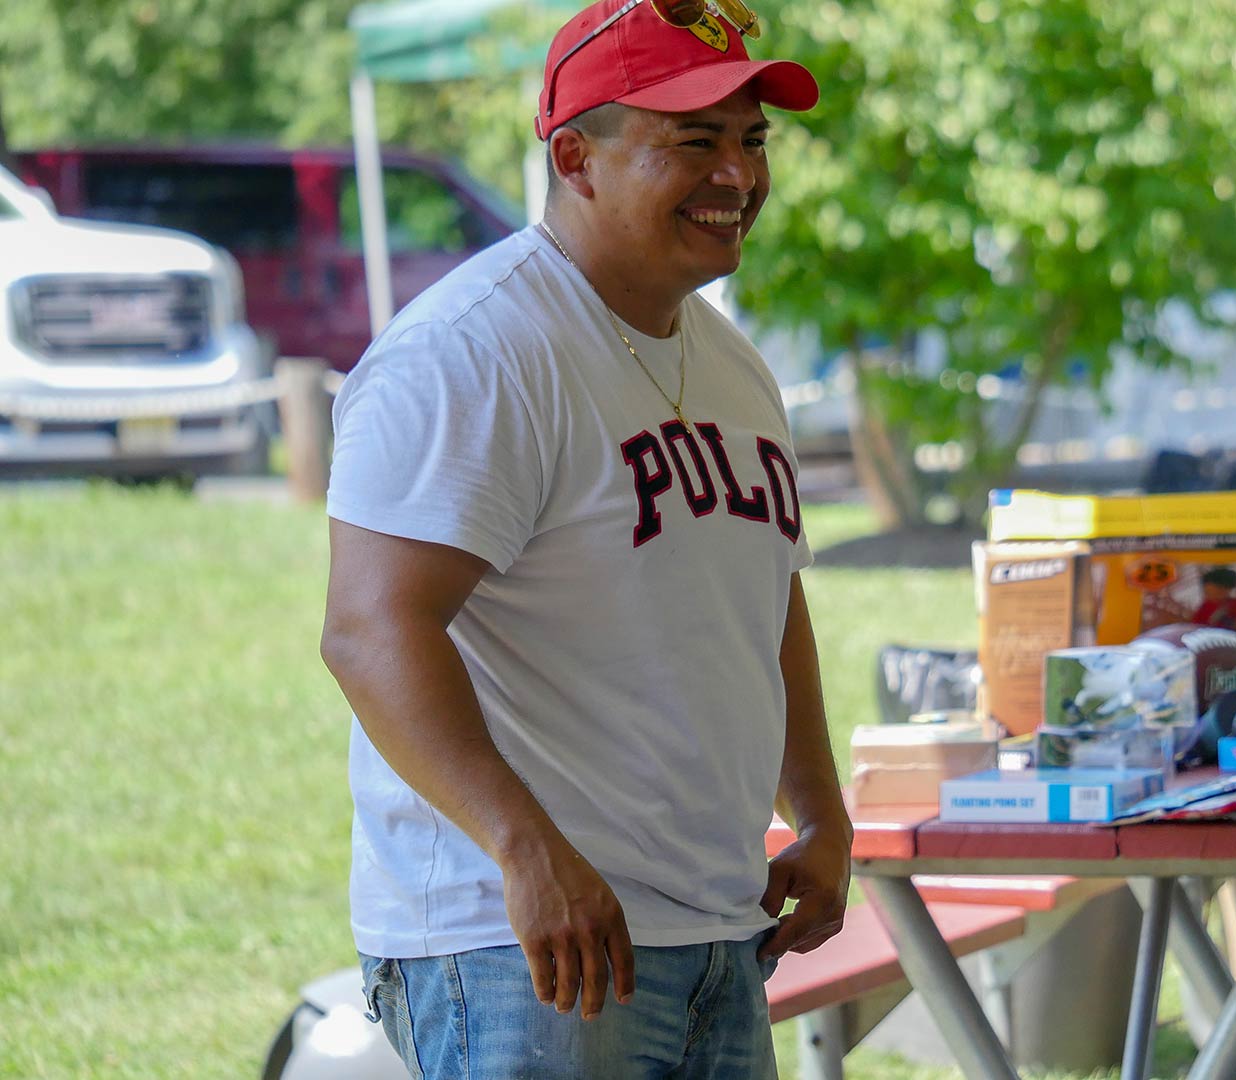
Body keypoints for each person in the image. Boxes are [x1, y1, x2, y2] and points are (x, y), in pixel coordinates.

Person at [318, 1, 852, 1076]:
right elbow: (371, 631)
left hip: (717, 928)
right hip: (527, 943)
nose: (739, 175)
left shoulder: (733, 364)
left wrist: (820, 811)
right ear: (575, 158)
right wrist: (527, 852)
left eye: (752, 140)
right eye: (694, 141)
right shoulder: (473, 352)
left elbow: (764, 599)